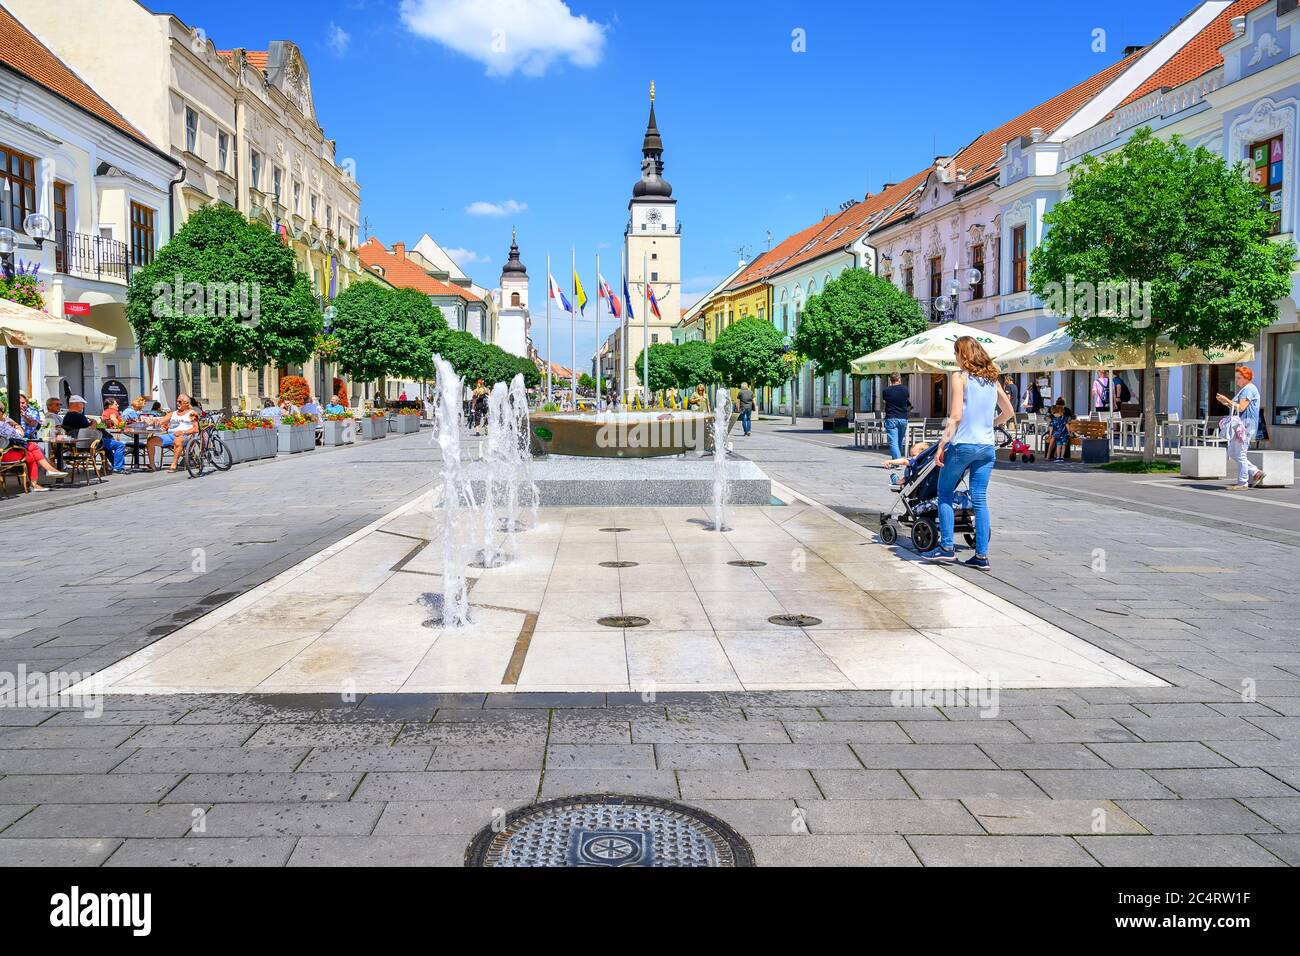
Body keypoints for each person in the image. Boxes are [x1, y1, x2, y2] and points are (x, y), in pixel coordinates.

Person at [924, 336, 1015, 569]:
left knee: (944, 492)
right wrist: (990, 424)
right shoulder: (992, 380)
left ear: (963, 355)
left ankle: (946, 548)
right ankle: (981, 556)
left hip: (963, 445)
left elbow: (955, 416)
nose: (955, 358)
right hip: (986, 447)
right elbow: (1009, 412)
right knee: (980, 499)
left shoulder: (960, 377)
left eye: (956, 353)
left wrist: (942, 445)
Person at [1, 400, 68, 491]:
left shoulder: (32, 412)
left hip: (12, 448)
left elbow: (35, 424)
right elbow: (19, 435)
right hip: (4, 453)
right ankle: (47, 471)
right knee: (33, 448)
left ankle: (37, 482)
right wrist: (16, 425)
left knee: (32, 452)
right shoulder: (2, 424)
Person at [1218, 365, 1264, 490]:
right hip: (1241, 425)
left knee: (1240, 453)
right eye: (1236, 377)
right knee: (1233, 452)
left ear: (1246, 378)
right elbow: (1235, 407)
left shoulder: (1249, 389)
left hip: (1246, 425)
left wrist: (1227, 400)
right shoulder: (1244, 389)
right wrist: (1225, 402)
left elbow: (1241, 407)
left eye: (1239, 378)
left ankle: (1243, 482)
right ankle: (1255, 472)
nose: (1236, 380)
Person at [60, 395, 127, 474]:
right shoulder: (78, 416)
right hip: (88, 442)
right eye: (82, 404)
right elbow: (89, 430)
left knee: (108, 446)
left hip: (78, 443)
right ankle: (118, 468)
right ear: (76, 404)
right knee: (119, 445)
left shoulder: (67, 416)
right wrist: (94, 423)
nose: (84, 406)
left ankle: (114, 466)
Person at [146, 393, 199, 472]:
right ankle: (152, 465)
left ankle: (174, 465)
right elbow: (160, 421)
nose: (177, 403)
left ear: (187, 403)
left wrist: (183, 432)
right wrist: (153, 422)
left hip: (185, 436)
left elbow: (196, 429)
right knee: (151, 441)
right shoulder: (172, 413)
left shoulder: (191, 413)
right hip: (170, 435)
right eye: (177, 401)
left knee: (177, 440)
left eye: (180, 402)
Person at [882, 373, 912, 459]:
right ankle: (896, 461)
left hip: (891, 418)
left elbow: (884, 401)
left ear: (890, 380)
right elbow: (906, 401)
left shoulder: (886, 390)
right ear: (899, 379)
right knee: (899, 441)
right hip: (903, 418)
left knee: (893, 442)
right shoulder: (905, 390)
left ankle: (897, 462)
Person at [1046, 398, 1073, 462]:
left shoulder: (1067, 410)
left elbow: (1069, 420)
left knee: (1056, 437)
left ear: (1064, 405)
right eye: (1058, 407)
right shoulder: (1052, 408)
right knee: (1053, 438)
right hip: (1054, 428)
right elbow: (1047, 417)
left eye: (1061, 407)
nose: (1060, 408)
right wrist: (1050, 420)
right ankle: (1049, 454)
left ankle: (1056, 455)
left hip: (1062, 429)